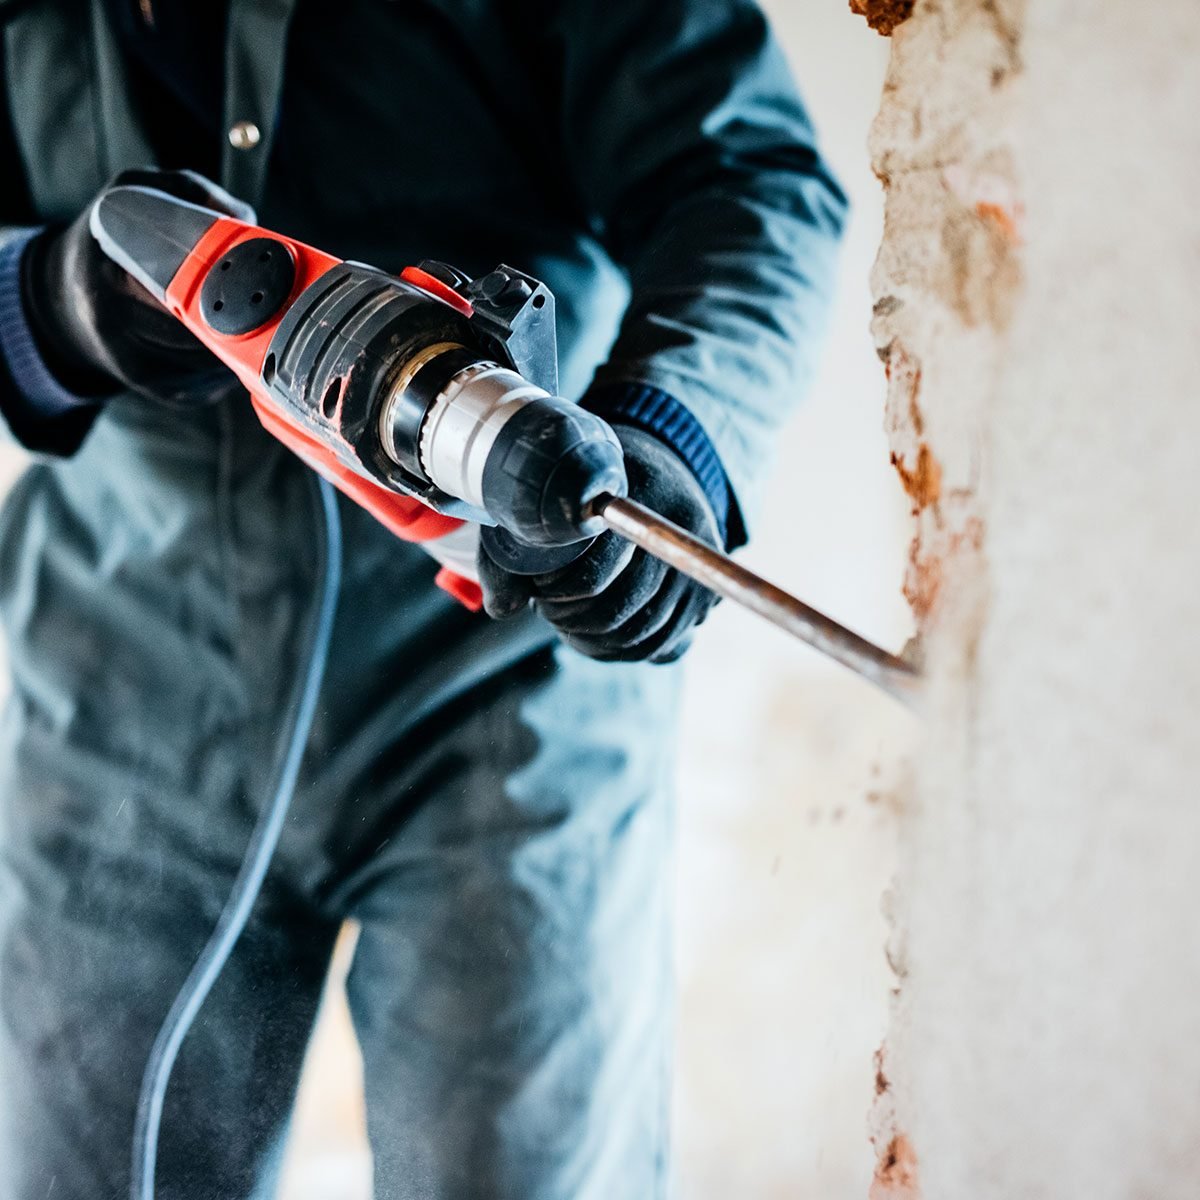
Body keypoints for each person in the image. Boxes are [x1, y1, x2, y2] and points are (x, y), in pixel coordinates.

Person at [0, 0, 845, 1196]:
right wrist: (43, 302)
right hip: (119, 694)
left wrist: (673, 441)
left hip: (501, 706)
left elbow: (749, 176)